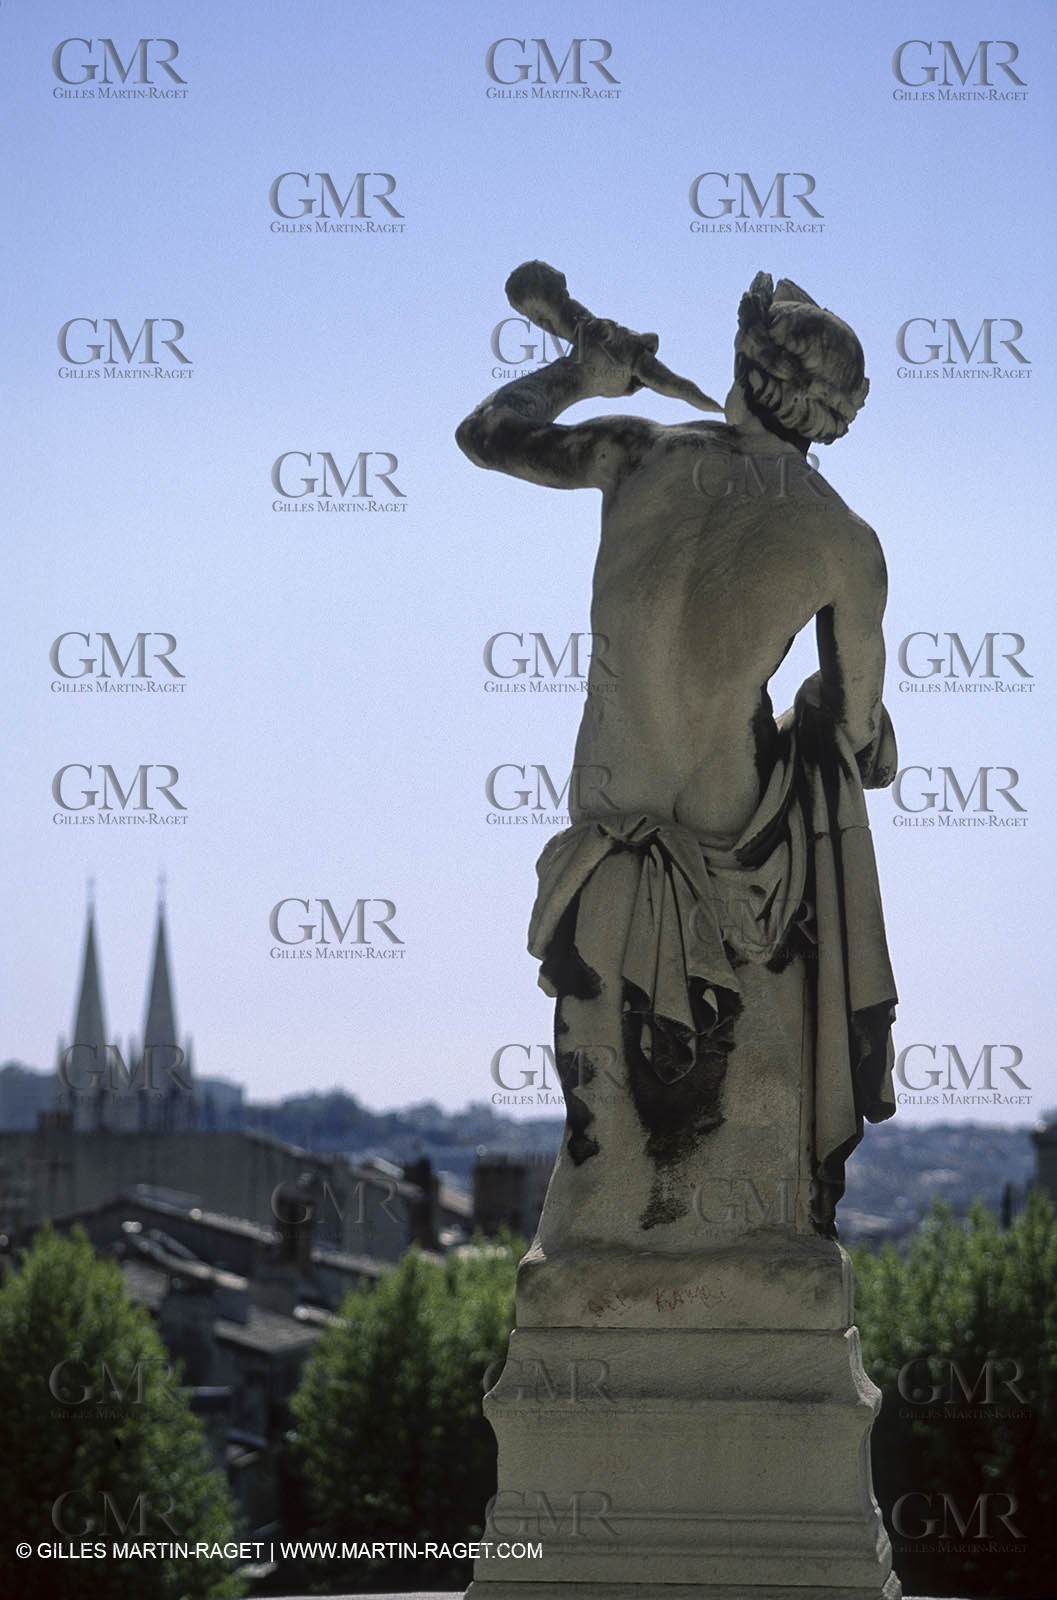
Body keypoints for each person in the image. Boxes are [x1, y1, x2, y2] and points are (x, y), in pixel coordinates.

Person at [457, 269, 898, 1244]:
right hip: (739, 898)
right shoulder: (846, 545)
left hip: (603, 870)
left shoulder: (642, 452)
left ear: (742, 368)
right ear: (833, 422)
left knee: (602, 1171)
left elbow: (487, 433)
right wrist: (837, 716)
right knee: (743, 1203)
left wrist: (582, 368)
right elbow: (864, 748)